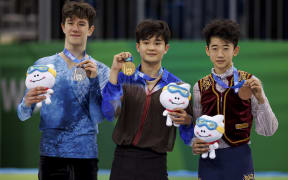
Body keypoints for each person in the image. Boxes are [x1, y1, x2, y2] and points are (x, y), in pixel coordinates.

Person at [17, 1, 110, 180]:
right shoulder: (43, 65)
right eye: (70, 22)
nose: (75, 28)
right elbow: (22, 114)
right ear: (63, 27)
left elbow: (99, 117)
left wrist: (93, 81)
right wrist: (26, 103)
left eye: (81, 23)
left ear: (90, 30)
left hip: (86, 155)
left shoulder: (101, 70)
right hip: (51, 154)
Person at [180, 19, 278, 180]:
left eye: (226, 48)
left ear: (235, 50)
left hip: (240, 157)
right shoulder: (199, 87)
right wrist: (194, 142)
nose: (220, 54)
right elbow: (197, 129)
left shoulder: (250, 82)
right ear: (207, 50)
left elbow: (269, 130)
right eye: (215, 48)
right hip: (208, 160)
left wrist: (260, 98)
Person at [101, 19, 193, 180]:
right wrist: (114, 71)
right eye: (146, 42)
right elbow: (109, 113)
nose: (151, 47)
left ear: (166, 48)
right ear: (138, 47)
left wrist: (188, 121)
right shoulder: (124, 78)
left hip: (156, 163)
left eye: (157, 43)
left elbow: (189, 137)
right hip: (123, 160)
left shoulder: (178, 86)